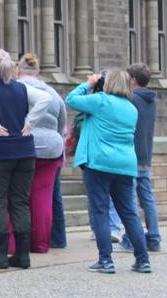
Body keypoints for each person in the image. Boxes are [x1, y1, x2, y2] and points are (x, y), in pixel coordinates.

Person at [66, 70, 152, 274]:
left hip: (99, 163)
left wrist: (88, 83)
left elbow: (71, 99)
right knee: (129, 213)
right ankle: (143, 260)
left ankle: (105, 260)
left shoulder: (100, 101)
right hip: (125, 165)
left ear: (109, 83)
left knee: (100, 211)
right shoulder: (131, 108)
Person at [0, 48, 51, 270]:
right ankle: (22, 255)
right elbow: (45, 98)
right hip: (24, 152)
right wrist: (30, 122)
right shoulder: (21, 88)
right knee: (20, 202)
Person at [13, 52, 66, 254]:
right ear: (38, 71)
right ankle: (41, 244)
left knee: (18, 196)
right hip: (51, 148)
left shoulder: (15, 89)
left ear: (18, 70)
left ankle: (18, 242)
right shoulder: (53, 93)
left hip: (23, 146)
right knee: (43, 196)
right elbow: (61, 125)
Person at [118, 63, 161, 253]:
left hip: (131, 156)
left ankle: (131, 239)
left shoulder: (132, 99)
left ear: (133, 79)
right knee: (147, 199)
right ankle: (154, 238)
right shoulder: (151, 100)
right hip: (145, 155)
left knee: (130, 201)